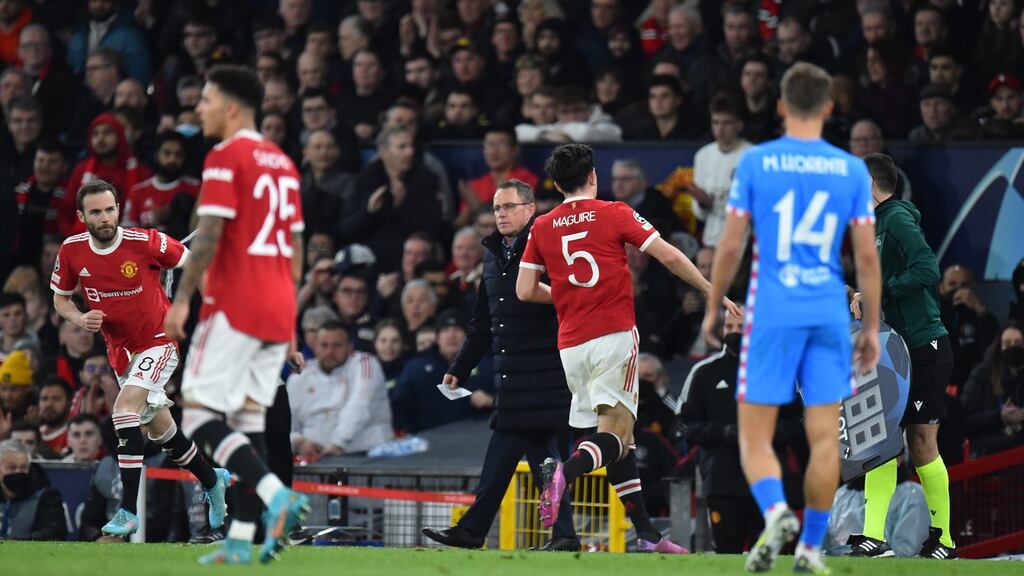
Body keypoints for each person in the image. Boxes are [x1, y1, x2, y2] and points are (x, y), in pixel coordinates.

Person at [702, 63, 882, 573]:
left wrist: (715, 307)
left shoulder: (757, 162)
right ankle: (810, 547)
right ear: (829, 107)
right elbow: (867, 258)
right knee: (825, 435)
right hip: (827, 312)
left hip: (773, 312)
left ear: (780, 106)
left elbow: (732, 243)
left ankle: (778, 512)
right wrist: (869, 327)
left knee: (753, 436)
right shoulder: (851, 169)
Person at [517, 143, 740, 553]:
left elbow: (525, 289)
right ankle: (562, 474)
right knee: (616, 436)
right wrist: (712, 291)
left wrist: (569, 295)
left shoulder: (542, 225)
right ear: (593, 177)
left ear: (555, 184)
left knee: (622, 438)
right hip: (613, 335)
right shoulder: (614, 212)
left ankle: (649, 535)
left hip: (571, 346)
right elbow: (669, 256)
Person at [163, 65, 309, 565]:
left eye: (204, 100)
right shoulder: (284, 164)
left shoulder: (226, 157)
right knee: (249, 426)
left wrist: (182, 300)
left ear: (230, 106)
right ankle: (241, 540)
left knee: (199, 416)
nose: (197, 108)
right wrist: (290, 324)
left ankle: (276, 496)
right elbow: (295, 246)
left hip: (237, 303)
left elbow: (208, 236)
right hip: (276, 307)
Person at [50, 179, 230, 537]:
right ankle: (213, 479)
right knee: (161, 431)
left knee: (123, 409)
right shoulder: (71, 251)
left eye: (110, 209)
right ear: (82, 216)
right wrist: (81, 318)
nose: (105, 217)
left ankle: (127, 510)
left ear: (119, 208)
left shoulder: (145, 241)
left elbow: (194, 264)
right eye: (97, 212)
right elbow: (60, 299)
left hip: (159, 341)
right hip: (120, 352)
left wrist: (211, 313)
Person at [422, 180, 579, 552]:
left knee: (506, 448)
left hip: (545, 371)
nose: (501, 214)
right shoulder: (493, 255)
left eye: (509, 207)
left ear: (530, 209)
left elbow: (571, 300)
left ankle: (473, 529)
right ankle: (564, 534)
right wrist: (460, 367)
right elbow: (483, 321)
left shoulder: (549, 247)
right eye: (496, 208)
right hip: (511, 374)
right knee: (540, 455)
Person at [846, 153, 955, 559]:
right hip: (898, 348)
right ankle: (874, 536)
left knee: (921, 441)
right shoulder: (879, 224)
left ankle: (944, 539)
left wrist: (879, 293)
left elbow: (928, 268)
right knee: (883, 437)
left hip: (925, 345)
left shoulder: (895, 218)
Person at [287, 322, 393, 458]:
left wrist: (338, 443)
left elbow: (359, 406)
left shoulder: (365, 363)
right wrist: (298, 442)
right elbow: (285, 425)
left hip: (366, 457)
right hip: (316, 461)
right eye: (324, 345)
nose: (329, 352)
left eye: (337, 346)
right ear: (315, 347)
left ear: (350, 347)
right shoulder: (299, 377)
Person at [961, 321, 1024, 457]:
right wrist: (1000, 417)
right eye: (1007, 344)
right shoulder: (982, 373)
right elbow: (964, 421)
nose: (1013, 347)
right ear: (999, 347)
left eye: (1018, 343)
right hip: (984, 447)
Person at [0, 439, 66, 541]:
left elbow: (54, 532)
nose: (18, 472)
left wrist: (13, 542)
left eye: (23, 468)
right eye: (12, 467)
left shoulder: (46, 495)